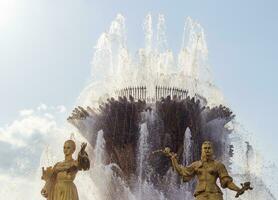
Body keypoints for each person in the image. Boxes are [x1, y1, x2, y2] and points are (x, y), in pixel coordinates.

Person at [161, 141, 252, 200]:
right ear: (202, 150)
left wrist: (238, 189)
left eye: (209, 148)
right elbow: (182, 172)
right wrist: (173, 159)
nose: (207, 150)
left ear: (212, 150)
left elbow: (226, 182)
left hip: (215, 195)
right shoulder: (196, 165)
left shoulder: (218, 165)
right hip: (200, 195)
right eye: (205, 148)